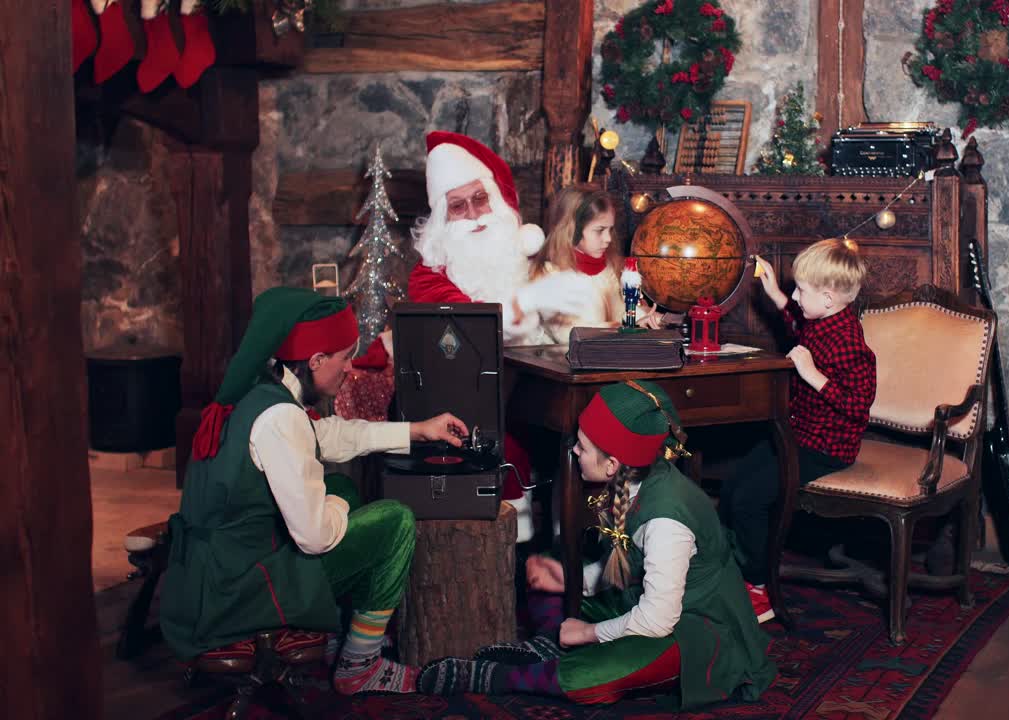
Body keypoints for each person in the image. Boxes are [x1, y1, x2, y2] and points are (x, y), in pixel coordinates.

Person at [158, 287, 469, 696]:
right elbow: (315, 536)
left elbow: (323, 435)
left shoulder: (259, 391)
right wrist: (337, 502)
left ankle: (337, 636)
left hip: (221, 570)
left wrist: (417, 430)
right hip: (239, 591)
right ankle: (360, 666)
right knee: (395, 520)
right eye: (344, 357)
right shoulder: (280, 417)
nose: (350, 368)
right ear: (316, 360)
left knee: (338, 484)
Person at [416, 381, 777, 708]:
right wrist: (578, 579)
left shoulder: (667, 519)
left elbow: (656, 620)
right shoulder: (632, 479)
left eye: (583, 446)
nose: (573, 450)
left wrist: (588, 632)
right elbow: (628, 562)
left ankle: (501, 676)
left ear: (611, 465)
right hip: (643, 597)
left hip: (694, 626)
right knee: (548, 570)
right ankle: (550, 647)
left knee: (586, 678)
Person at [405, 131, 593, 539]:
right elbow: (470, 329)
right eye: (458, 206)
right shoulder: (427, 279)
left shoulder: (521, 261)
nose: (474, 214)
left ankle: (576, 560)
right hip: (457, 406)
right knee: (513, 450)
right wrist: (529, 301)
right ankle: (517, 561)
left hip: (529, 395)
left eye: (480, 198)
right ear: (441, 219)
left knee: (588, 436)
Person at [720, 238, 877, 622]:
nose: (795, 295)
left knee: (748, 499)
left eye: (801, 290)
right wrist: (775, 295)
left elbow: (859, 407)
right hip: (797, 433)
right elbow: (800, 322)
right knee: (733, 484)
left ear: (827, 298)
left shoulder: (850, 343)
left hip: (826, 446)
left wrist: (814, 376)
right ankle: (734, 569)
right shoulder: (822, 318)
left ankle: (759, 587)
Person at [528, 185, 665, 343]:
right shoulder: (548, 275)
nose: (608, 239)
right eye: (599, 230)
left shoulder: (609, 269)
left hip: (609, 359)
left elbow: (624, 312)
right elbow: (568, 333)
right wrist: (625, 328)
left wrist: (651, 318)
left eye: (609, 230)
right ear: (572, 231)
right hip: (563, 363)